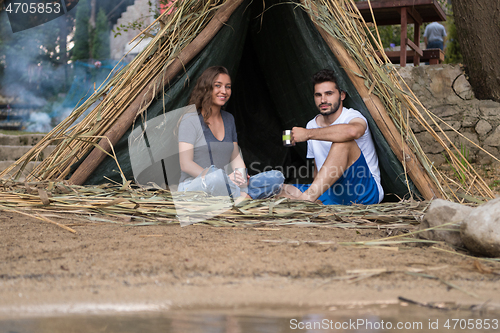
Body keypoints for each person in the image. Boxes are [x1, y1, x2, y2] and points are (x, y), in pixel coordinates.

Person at [177, 66, 284, 200]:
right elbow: (186, 164)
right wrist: (223, 179)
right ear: (206, 87)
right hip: (196, 185)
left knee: (276, 177)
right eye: (218, 85)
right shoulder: (190, 120)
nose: (224, 91)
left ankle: (239, 197)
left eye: (228, 87)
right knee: (216, 178)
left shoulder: (229, 119)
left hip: (226, 183)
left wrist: (241, 176)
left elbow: (235, 157)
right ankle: (242, 198)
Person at [280, 69, 383, 205]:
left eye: (329, 94)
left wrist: (308, 134)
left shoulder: (353, 117)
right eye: (318, 95)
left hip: (363, 191)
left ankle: (306, 200)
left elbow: (353, 132)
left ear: (341, 95)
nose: (323, 100)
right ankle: (314, 202)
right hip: (333, 192)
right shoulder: (311, 124)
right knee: (277, 189)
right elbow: (318, 171)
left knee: (343, 142)